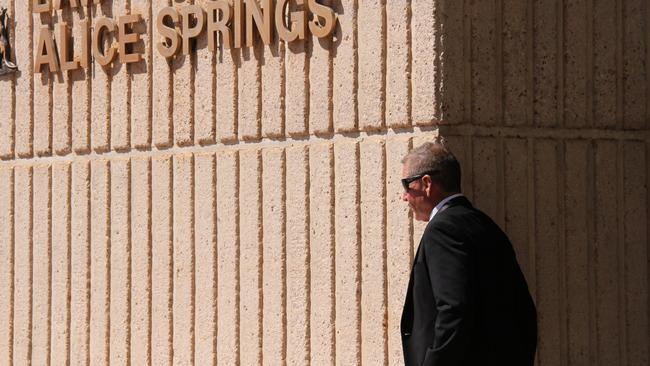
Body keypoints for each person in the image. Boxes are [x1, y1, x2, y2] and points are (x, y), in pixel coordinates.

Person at [400, 141, 537, 366]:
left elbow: (454, 310)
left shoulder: (442, 230)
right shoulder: (485, 224)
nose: (404, 197)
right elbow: (524, 311)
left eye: (407, 186)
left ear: (426, 183)